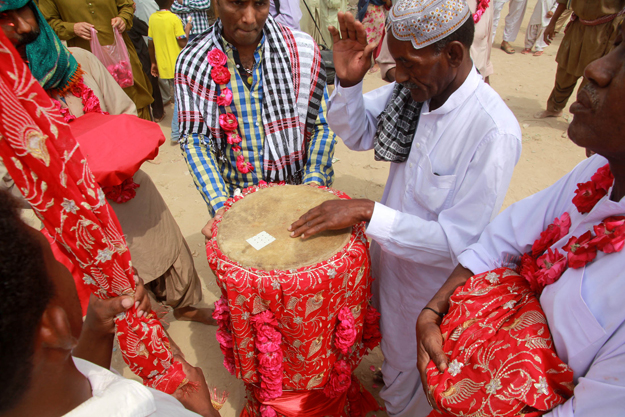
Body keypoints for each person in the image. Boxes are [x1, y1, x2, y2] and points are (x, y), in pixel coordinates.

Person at [288, 1, 522, 415]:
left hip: (425, 290)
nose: (398, 74)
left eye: (407, 62)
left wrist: (367, 212)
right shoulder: (414, 92)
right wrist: (348, 84)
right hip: (388, 261)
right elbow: (358, 133)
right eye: (395, 62)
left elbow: (458, 243)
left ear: (452, 54)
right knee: (388, 353)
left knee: (409, 380)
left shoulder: (493, 131)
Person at [417, 23, 625, 414]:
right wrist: (434, 311)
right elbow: (506, 238)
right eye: (616, 45)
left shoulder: (496, 129)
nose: (595, 69)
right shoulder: (598, 171)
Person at [0, 1, 215, 326]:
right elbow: (9, 180)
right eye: (4, 18)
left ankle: (186, 305)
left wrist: (108, 155)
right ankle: (152, 335)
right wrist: (69, 181)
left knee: (166, 249)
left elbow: (125, 112)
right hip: (78, 216)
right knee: (123, 297)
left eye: (24, 12)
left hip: (129, 185)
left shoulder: (80, 61)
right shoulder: (7, 105)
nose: (23, 27)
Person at [0, 189, 220, 417]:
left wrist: (96, 331)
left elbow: (80, 369)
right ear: (54, 325)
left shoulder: (38, 389)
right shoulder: (152, 411)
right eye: (57, 265)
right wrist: (205, 411)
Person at [175, 0, 336, 234]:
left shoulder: (301, 50)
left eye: (260, 3)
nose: (249, 18)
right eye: (237, 3)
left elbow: (322, 124)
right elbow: (195, 140)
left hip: (300, 197)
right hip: (238, 204)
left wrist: (312, 185)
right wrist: (221, 206)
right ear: (216, 3)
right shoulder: (193, 61)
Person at [38, 0, 155, 121]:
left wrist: (123, 19)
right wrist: (72, 28)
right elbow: (46, 22)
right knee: (98, 110)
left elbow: (127, 5)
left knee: (136, 102)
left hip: (120, 58)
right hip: (85, 62)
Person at [535, 0, 625, 119]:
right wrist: (552, 24)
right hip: (578, 26)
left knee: (592, 78)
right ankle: (554, 108)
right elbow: (564, 1)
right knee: (564, 71)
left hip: (605, 31)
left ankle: (580, 118)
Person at [149, 0, 192, 143]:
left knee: (178, 95)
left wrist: (154, 62)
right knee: (181, 98)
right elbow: (183, 42)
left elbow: (151, 43)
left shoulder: (153, 18)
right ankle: (175, 132)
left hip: (163, 65)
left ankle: (181, 127)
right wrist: (187, 28)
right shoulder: (174, 19)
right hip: (177, 64)